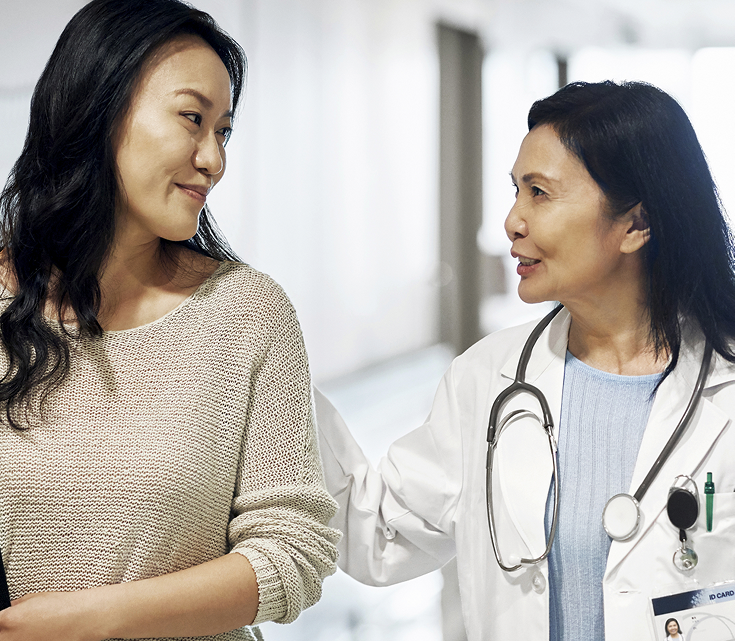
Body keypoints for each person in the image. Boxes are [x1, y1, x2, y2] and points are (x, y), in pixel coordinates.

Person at [0, 0, 338, 641]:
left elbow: (293, 550)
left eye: (223, 132)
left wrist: (97, 620)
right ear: (96, 111)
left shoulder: (248, 314)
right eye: (193, 119)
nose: (214, 160)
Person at [315, 80, 735, 640]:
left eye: (539, 193)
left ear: (635, 224)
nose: (513, 220)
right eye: (516, 191)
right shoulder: (488, 379)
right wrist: (271, 368)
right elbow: (377, 534)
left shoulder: (724, 389)